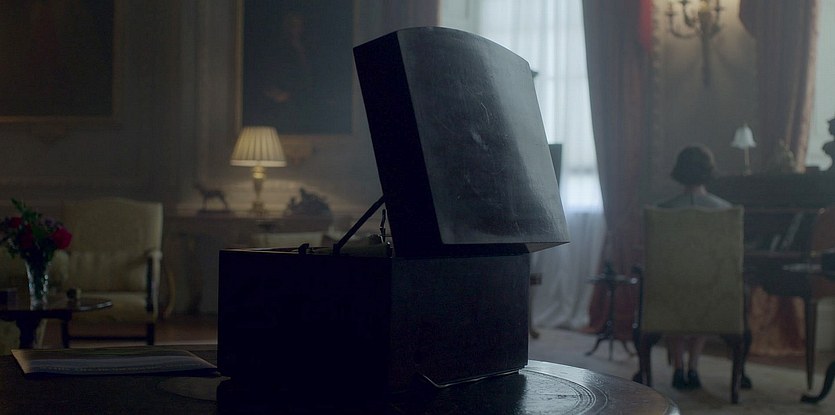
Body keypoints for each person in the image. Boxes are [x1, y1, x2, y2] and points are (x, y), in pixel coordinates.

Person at [656, 144, 732, 390]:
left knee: (673, 294)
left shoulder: (663, 210)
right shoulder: (724, 210)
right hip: (709, 289)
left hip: (672, 287)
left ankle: (678, 367)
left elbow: (659, 255)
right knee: (704, 296)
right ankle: (694, 367)